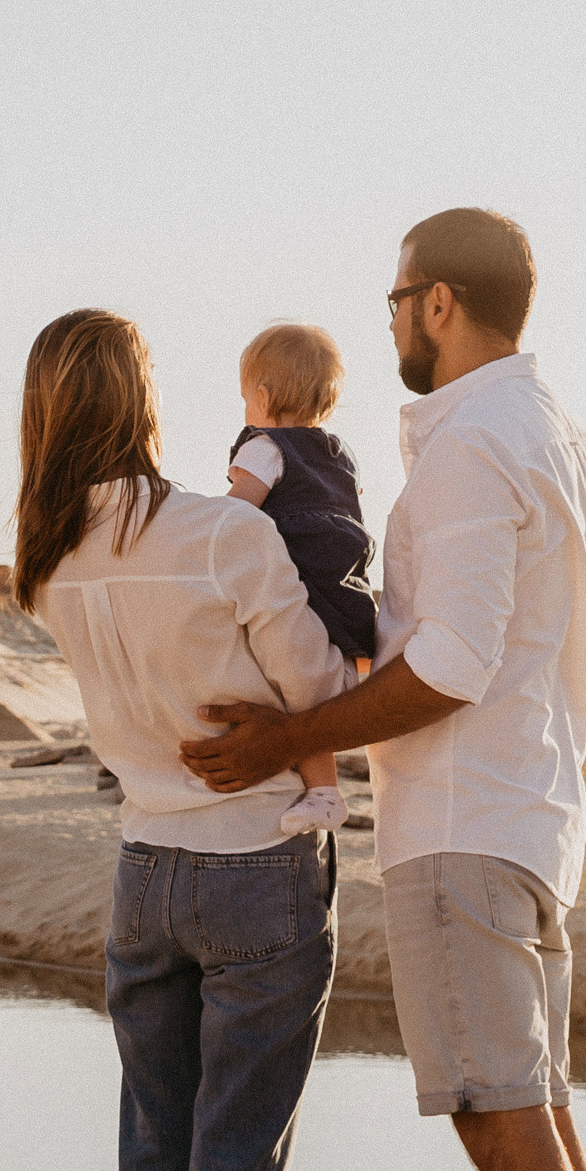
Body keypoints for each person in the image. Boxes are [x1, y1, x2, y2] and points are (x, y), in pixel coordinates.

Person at [180, 206, 586, 1171]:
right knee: (534, 1117)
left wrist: (275, 741)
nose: (383, 327)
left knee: (505, 1132)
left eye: (393, 303)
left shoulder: (480, 446)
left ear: (439, 303)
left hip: (464, 824)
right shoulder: (556, 437)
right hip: (528, 813)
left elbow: (455, 664)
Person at [14, 307, 354, 1171]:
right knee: (231, 1167)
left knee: (157, 1156)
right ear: (139, 398)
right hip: (256, 867)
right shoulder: (223, 533)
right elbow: (320, 686)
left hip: (140, 872)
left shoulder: (52, 557)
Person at [224, 320, 375, 836]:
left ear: (263, 397)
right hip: (341, 587)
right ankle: (323, 790)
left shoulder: (263, 448)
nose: (246, 411)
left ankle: (325, 794)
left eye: (245, 399)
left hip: (297, 582)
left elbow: (234, 519)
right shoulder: (338, 455)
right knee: (309, 683)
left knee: (301, 685)